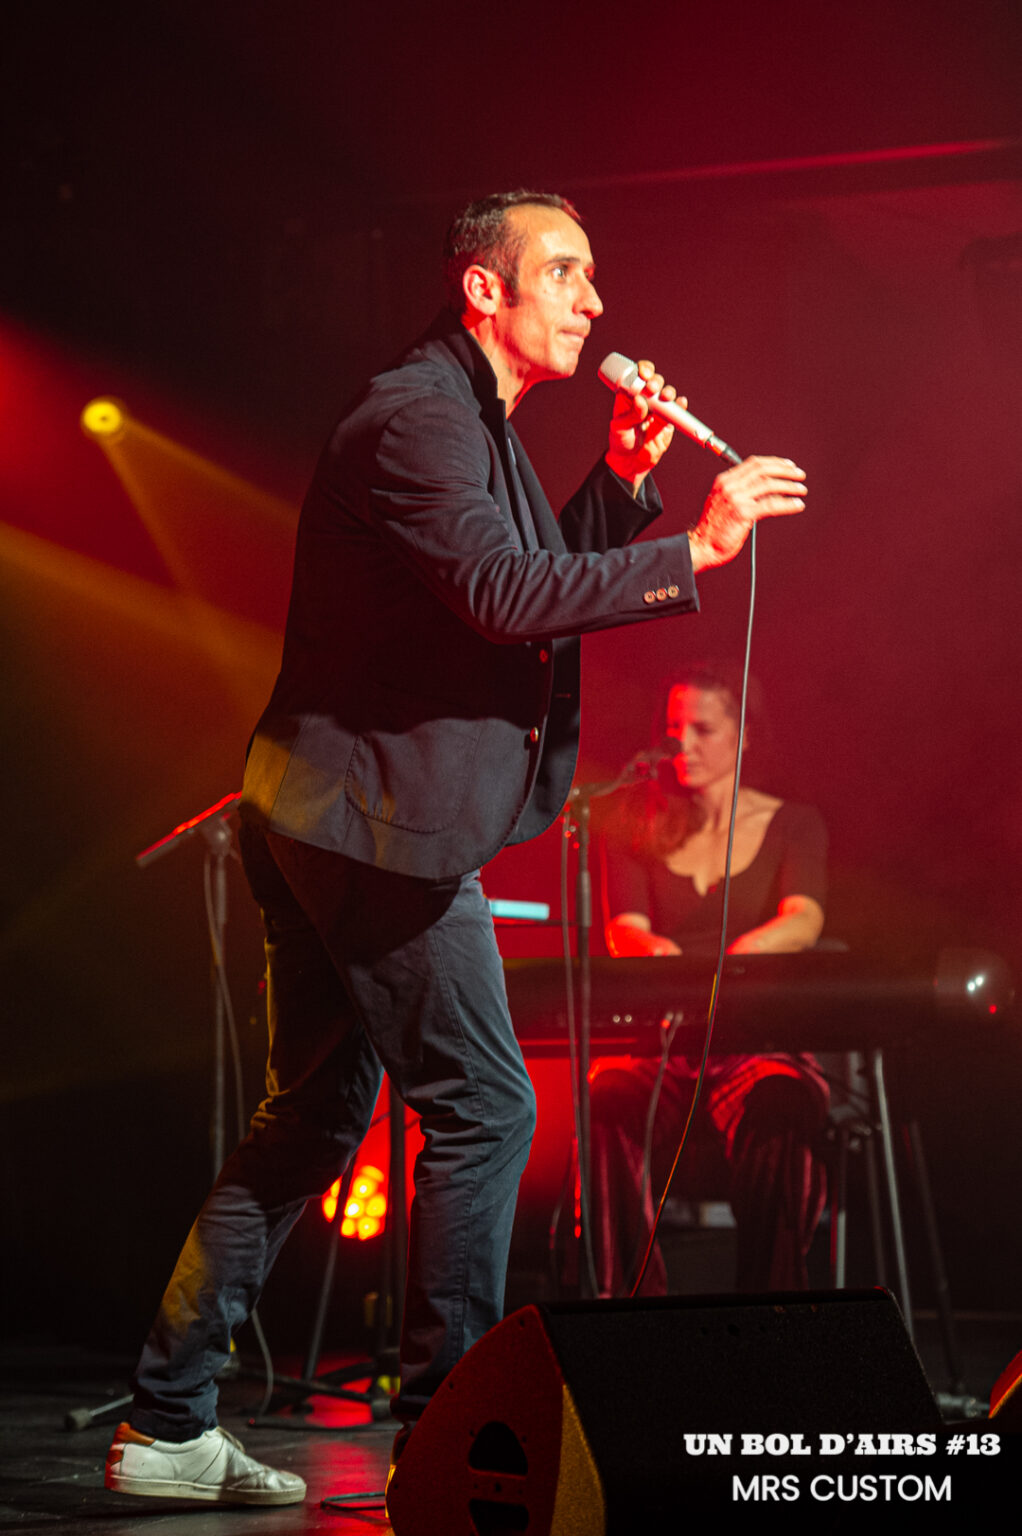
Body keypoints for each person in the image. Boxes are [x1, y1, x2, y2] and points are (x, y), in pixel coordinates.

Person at [105, 191, 809, 1506]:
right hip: (376, 825)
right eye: (566, 273)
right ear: (485, 288)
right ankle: (446, 1440)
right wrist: (695, 546)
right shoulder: (417, 418)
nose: (594, 301)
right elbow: (499, 595)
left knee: (313, 1119)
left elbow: (516, 582)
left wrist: (625, 482)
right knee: (485, 1107)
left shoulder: (471, 421)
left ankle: (166, 1425)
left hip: (335, 816)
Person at [593, 661, 829, 1297]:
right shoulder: (634, 821)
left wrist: (733, 964)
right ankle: (631, 1313)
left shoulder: (793, 823)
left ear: (744, 734)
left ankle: (771, 1310)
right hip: (661, 1037)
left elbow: (804, 919)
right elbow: (624, 931)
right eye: (673, 728)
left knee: (781, 1104)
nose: (682, 744)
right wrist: (664, 959)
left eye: (702, 728)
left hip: (753, 1035)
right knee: (606, 1101)